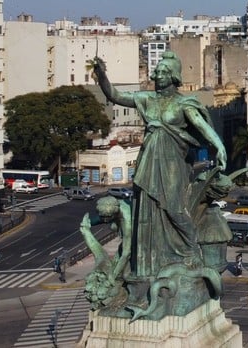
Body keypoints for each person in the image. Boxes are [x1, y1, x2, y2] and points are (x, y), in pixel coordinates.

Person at [92, 53, 227, 277]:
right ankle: (150, 262)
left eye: (164, 72)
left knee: (174, 209)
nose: (158, 76)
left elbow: (201, 126)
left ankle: (191, 251)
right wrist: (102, 74)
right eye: (158, 72)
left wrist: (219, 146)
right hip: (150, 160)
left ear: (174, 77)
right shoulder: (147, 98)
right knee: (147, 210)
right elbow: (115, 95)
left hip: (173, 162)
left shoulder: (183, 103)